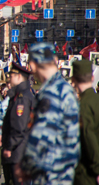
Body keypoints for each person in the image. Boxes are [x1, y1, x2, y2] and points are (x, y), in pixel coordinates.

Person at [16, 43, 80, 184]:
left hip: (50, 169)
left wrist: (26, 165)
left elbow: (42, 133)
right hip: (64, 167)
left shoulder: (51, 92)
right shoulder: (65, 88)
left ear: (32, 65)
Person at [71, 60, 99, 185]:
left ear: (74, 80)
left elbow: (89, 138)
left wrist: (98, 169)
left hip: (88, 172)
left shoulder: (83, 105)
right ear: (93, 77)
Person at [2, 62, 35, 185]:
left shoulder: (22, 97)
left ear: (19, 77)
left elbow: (19, 126)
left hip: (19, 151)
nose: (9, 79)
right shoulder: (21, 95)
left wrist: (9, 146)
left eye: (11, 75)